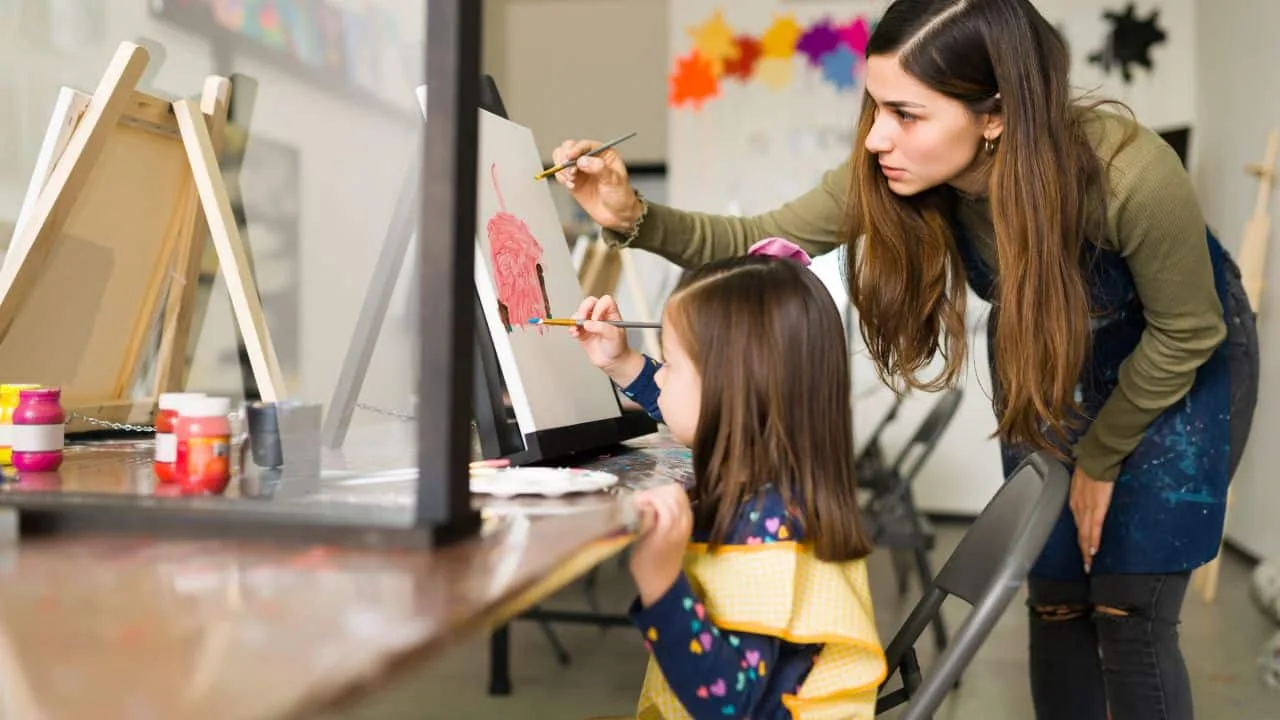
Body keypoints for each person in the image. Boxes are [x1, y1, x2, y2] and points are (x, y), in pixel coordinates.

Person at [553, 1, 1260, 718]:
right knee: (1053, 598)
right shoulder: (893, 170)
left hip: (1174, 352)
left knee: (1127, 606)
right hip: (1048, 350)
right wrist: (627, 213)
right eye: (876, 108)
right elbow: (757, 239)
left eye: (907, 114)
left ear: (996, 114)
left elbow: (1186, 329)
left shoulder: (1128, 172)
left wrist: (1101, 457)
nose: (877, 138)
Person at [571, 241, 886, 719]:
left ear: (731, 394)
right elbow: (692, 411)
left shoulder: (768, 526)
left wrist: (659, 580)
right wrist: (623, 363)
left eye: (669, 366)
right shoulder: (777, 470)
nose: (659, 381)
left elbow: (727, 705)